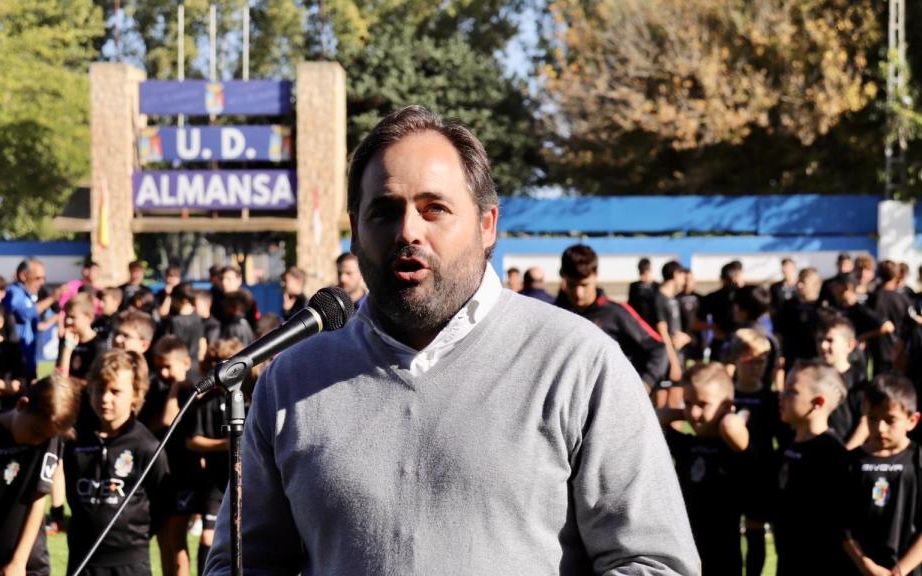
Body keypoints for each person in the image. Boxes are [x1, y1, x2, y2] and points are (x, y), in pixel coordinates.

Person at [205, 105, 697, 574]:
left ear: (487, 225)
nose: (408, 231)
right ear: (354, 233)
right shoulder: (293, 378)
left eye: (434, 208)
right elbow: (243, 563)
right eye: (384, 211)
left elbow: (653, 563)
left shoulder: (577, 363)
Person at [0, 374, 80, 576]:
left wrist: (19, 562)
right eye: (35, 432)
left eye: (44, 437)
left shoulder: (50, 437)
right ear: (22, 404)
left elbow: (38, 497)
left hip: (28, 562)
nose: (37, 441)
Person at [65, 349, 168, 576]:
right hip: (83, 560)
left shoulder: (147, 446)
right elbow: (71, 491)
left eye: (115, 391)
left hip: (129, 563)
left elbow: (162, 506)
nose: (105, 398)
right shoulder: (75, 441)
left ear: (136, 394)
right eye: (100, 389)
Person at [658, 363, 748, 575]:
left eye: (703, 403)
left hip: (722, 551)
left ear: (727, 406)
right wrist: (685, 412)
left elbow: (732, 427)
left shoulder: (731, 447)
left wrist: (726, 413)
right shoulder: (686, 445)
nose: (694, 412)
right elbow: (656, 416)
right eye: (688, 403)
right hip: (686, 547)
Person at [775, 360, 855, 575]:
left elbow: (835, 523)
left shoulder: (831, 454)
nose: (781, 396)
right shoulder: (788, 446)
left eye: (792, 391)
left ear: (817, 402)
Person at [556, 244, 669, 390]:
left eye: (584, 285)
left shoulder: (616, 313)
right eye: (572, 285)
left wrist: (643, 386)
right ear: (563, 277)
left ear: (595, 276)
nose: (578, 293)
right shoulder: (555, 314)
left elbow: (658, 348)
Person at [843, 375, 922, 576]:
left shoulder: (917, 462)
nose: (880, 428)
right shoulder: (851, 463)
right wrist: (864, 563)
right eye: (872, 418)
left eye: (890, 420)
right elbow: (841, 524)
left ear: (912, 420)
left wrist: (899, 570)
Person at [729, 329, 781, 576]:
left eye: (761, 361)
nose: (756, 367)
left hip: (760, 473)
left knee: (755, 531)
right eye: (750, 360)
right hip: (727, 472)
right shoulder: (726, 395)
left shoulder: (772, 399)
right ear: (737, 359)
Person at [144, 336, 198, 576]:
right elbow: (152, 424)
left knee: (176, 541)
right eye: (159, 367)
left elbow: (168, 419)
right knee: (163, 540)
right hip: (163, 473)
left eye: (168, 366)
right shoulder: (157, 391)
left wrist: (177, 387)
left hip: (184, 473)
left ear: (186, 362)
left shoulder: (193, 390)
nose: (163, 372)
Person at [188, 339, 243, 574]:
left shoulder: (245, 399)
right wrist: (224, 444)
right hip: (214, 481)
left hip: (240, 477)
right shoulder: (206, 404)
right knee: (209, 536)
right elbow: (193, 441)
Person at [3, 259, 63, 381]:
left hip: (29, 355)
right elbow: (24, 314)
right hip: (17, 355)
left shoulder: (28, 295)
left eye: (43, 278)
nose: (42, 283)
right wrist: (52, 298)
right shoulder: (14, 292)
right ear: (23, 276)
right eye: (38, 278)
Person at [819, 316, 869, 448]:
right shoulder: (815, 377)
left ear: (849, 345)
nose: (823, 346)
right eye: (821, 340)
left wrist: (846, 452)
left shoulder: (859, 381)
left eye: (830, 341)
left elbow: (865, 422)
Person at [698, 260, 744, 361]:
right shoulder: (714, 297)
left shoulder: (745, 296)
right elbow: (697, 322)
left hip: (741, 343)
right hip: (721, 342)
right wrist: (714, 327)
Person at [58, 293, 108, 380]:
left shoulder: (99, 345)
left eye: (73, 317)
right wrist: (67, 350)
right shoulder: (66, 340)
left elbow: (95, 382)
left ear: (89, 318)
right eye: (66, 316)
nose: (68, 321)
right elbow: (59, 378)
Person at [628, 257, 660, 327]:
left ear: (649, 270)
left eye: (645, 272)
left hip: (654, 324)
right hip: (639, 324)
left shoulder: (657, 286)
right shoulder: (634, 286)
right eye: (641, 272)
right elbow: (630, 305)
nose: (643, 275)